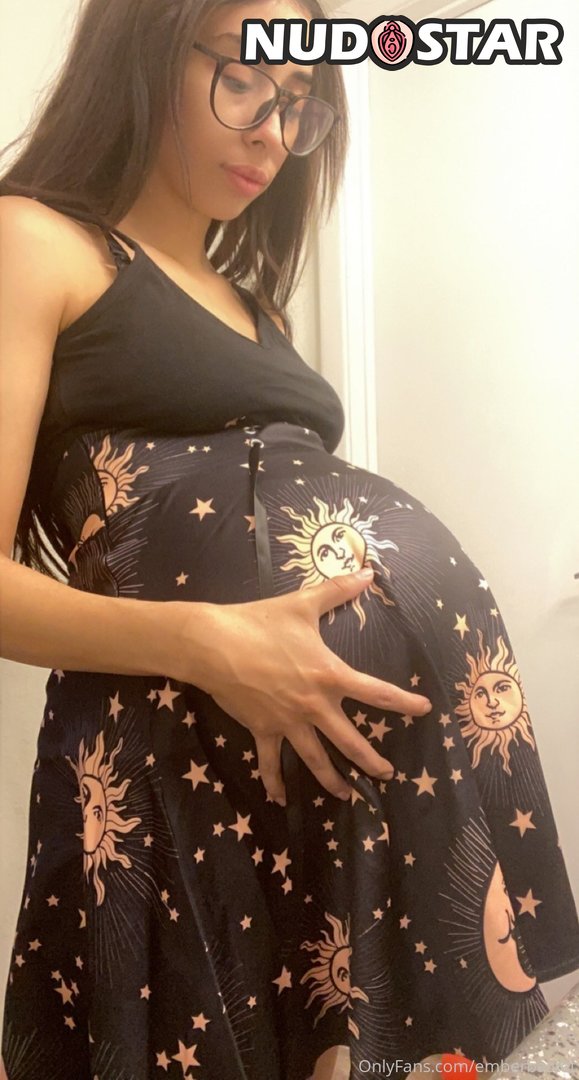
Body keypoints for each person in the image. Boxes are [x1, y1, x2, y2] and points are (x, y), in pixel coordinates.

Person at [0, 1, 578, 1078]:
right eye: (243, 82)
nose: (272, 132)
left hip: (332, 789)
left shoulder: (256, 306)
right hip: (172, 772)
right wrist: (210, 642)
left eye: (300, 106)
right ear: (144, 49)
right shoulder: (35, 240)